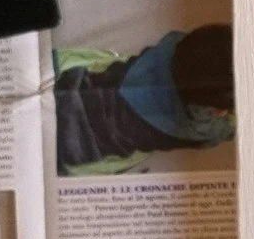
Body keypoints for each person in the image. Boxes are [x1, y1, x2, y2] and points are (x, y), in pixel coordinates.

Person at [54, 25, 235, 174]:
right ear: (216, 109)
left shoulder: (170, 45)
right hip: (81, 146)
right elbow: (223, 132)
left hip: (78, 91)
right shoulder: (193, 128)